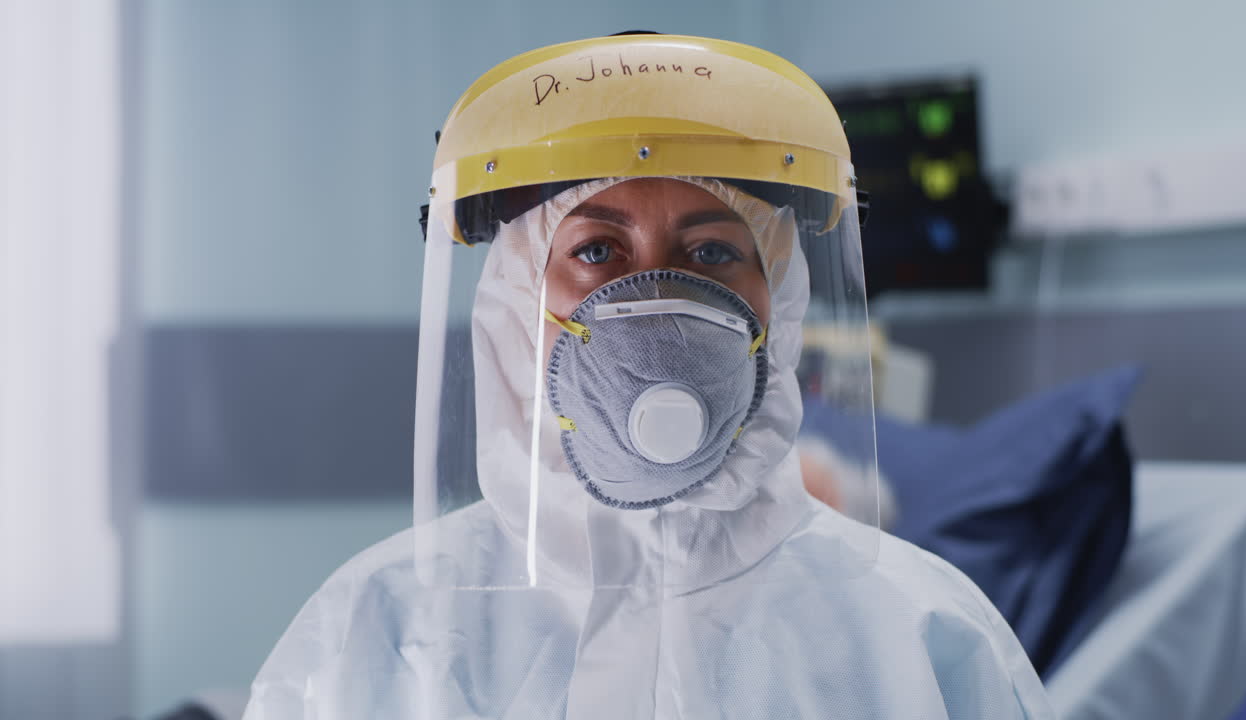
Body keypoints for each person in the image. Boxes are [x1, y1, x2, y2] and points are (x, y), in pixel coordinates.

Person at [244, 33, 1053, 719]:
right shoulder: (377, 626)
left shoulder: (921, 635)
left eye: (712, 253)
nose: (659, 299)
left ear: (782, 296)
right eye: (598, 251)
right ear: (519, 299)